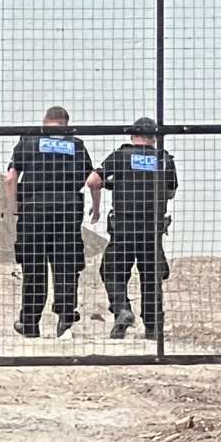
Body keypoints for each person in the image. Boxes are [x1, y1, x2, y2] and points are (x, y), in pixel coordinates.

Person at [4, 105, 98, 338]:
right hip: (67, 211)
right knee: (66, 265)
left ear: (44, 121)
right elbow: (92, 179)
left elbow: (10, 178)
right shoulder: (76, 144)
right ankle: (65, 319)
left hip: (34, 210)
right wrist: (96, 208)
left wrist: (13, 206)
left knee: (33, 267)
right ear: (66, 123)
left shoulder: (29, 139)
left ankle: (30, 323)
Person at [87, 117, 178, 340]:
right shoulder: (164, 159)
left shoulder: (120, 156)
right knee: (151, 277)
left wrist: (97, 208)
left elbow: (92, 181)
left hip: (124, 227)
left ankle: (122, 309)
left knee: (112, 271)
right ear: (155, 137)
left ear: (132, 136)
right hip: (152, 228)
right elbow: (171, 190)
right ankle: (153, 327)